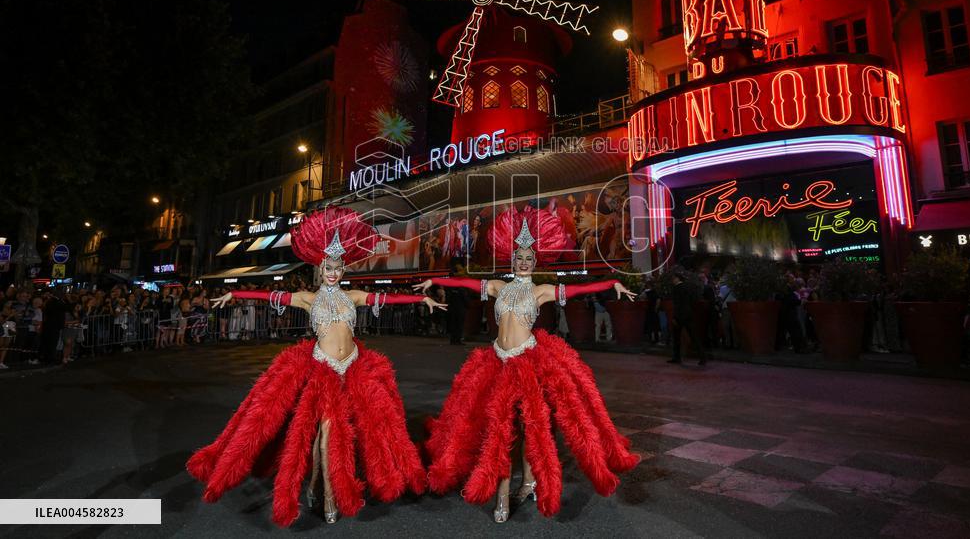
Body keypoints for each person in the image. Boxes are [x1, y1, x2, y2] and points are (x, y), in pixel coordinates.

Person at [188, 206, 445, 526]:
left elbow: (390, 300)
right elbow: (272, 297)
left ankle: (321, 485)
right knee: (326, 433)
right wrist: (234, 294)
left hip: (354, 369)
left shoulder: (353, 296)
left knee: (363, 430)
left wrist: (423, 301)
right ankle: (326, 494)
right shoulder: (308, 298)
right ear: (320, 268)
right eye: (328, 267)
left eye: (337, 267)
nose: (333, 272)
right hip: (323, 372)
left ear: (343, 269)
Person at [415, 205, 639, 523]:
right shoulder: (498, 287)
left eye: (528, 258)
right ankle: (504, 495)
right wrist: (435, 280)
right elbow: (465, 284)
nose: (522, 262)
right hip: (497, 364)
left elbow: (578, 290)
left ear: (535, 261)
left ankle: (530, 482)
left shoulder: (541, 291)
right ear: (512, 259)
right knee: (502, 430)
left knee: (530, 428)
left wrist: (609, 285)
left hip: (527, 365)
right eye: (518, 258)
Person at [668, 270, 706, 366]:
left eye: (673, 278)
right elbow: (692, 300)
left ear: (677, 278)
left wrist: (675, 317)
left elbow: (677, 304)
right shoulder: (688, 287)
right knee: (694, 336)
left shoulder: (676, 289)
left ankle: (677, 357)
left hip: (680, 315)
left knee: (676, 337)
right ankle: (702, 357)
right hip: (688, 314)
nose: (672, 280)